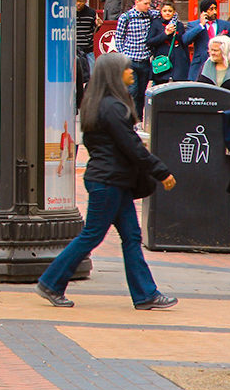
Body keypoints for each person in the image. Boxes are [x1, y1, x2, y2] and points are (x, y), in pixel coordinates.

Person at [36, 52, 178, 310]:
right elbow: (131, 145)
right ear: (114, 74)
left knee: (132, 236)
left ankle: (146, 294)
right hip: (108, 181)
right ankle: (51, 281)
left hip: (112, 180)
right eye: (126, 69)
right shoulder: (112, 107)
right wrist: (160, 171)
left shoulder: (98, 103)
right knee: (92, 235)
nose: (132, 72)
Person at [114, 0, 155, 118]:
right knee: (132, 91)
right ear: (137, 2)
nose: (148, 6)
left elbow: (171, 15)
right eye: (145, 3)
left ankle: (138, 118)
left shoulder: (150, 15)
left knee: (142, 93)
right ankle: (129, 118)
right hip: (130, 60)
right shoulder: (126, 17)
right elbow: (119, 38)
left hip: (144, 60)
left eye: (149, 3)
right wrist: (123, 55)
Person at [184, 0, 230, 80]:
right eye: (211, 9)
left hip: (220, 64)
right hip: (200, 66)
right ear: (204, 11)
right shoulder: (194, 25)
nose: (214, 12)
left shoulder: (225, 25)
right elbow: (185, 40)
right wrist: (201, 25)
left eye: (215, 8)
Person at [146, 0, 189, 84]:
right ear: (161, 11)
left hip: (178, 63)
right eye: (165, 11)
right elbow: (150, 42)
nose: (167, 13)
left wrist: (187, 62)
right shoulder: (156, 23)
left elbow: (183, 43)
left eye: (170, 11)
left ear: (174, 12)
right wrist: (165, 34)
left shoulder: (179, 25)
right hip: (162, 62)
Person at [76, 0, 99, 72]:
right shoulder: (69, 12)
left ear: (85, 1)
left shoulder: (91, 13)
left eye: (80, 1)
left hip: (87, 49)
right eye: (76, 1)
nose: (78, 4)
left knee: (92, 74)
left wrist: (98, 25)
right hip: (74, 49)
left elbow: (94, 30)